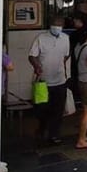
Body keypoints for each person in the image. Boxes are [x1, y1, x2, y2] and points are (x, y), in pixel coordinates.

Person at [28, 15, 70, 145]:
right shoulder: (40, 38)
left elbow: (66, 55)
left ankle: (54, 134)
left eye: (59, 25)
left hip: (60, 80)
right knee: (42, 109)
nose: (56, 27)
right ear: (50, 25)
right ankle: (42, 128)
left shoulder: (66, 38)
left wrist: (61, 66)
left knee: (58, 110)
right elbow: (32, 56)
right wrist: (37, 66)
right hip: (43, 82)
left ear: (62, 26)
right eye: (54, 24)